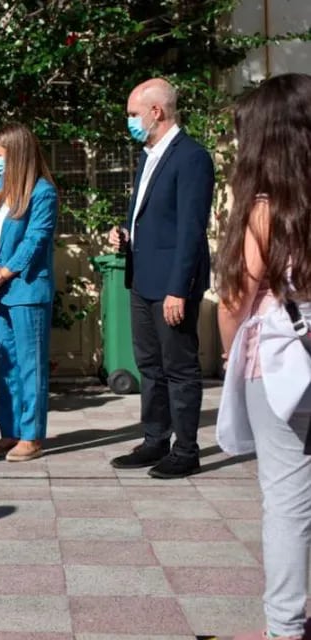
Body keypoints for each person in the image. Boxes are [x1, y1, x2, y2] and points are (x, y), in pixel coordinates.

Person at [214, 73, 311, 640]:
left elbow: (235, 299)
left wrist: (230, 353)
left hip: (278, 359)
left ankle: (283, 625)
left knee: (287, 500)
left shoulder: (262, 209)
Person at [108, 78, 215, 479]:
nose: (130, 122)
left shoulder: (191, 157)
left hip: (171, 285)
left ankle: (186, 450)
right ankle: (155, 439)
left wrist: (178, 290)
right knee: (149, 365)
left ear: (156, 112)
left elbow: (190, 229)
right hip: (142, 279)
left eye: (134, 114)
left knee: (179, 368)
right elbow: (150, 215)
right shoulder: (148, 155)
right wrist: (124, 231)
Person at [0, 123, 58, 462]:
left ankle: (32, 435)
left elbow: (34, 242)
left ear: (18, 155)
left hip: (26, 291)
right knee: (7, 366)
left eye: (0, 154)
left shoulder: (43, 193)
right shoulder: (0, 187)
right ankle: (9, 432)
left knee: (30, 365)